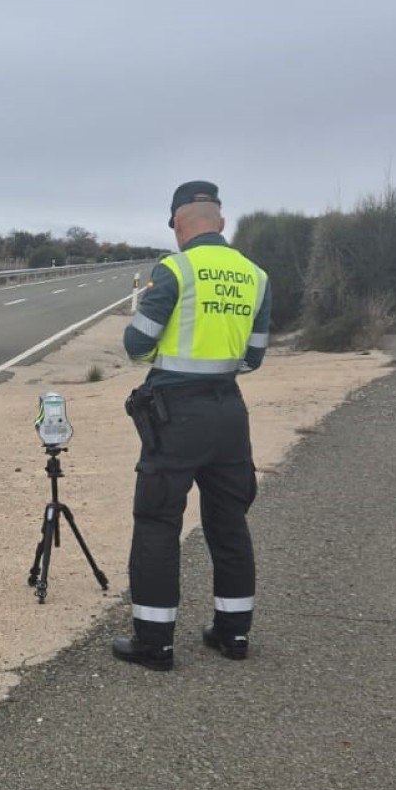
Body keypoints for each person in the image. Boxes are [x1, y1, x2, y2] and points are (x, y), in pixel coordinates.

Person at [112, 181, 271, 671]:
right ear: (220, 222)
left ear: (178, 223)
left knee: (159, 522)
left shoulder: (175, 269)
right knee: (229, 524)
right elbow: (255, 355)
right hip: (230, 413)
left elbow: (137, 344)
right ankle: (234, 634)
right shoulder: (255, 275)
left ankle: (155, 644)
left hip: (176, 415)